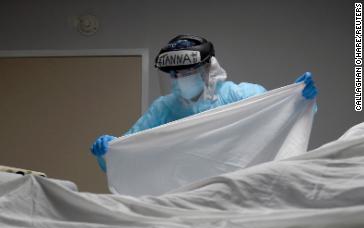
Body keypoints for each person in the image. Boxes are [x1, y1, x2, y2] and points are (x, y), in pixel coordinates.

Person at [91, 35, 318, 172]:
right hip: (183, 192)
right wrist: (109, 151)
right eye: (173, 74)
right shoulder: (164, 108)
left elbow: (280, 120)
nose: (180, 79)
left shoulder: (241, 95)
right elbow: (131, 148)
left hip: (237, 184)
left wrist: (298, 100)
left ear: (208, 70)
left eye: (188, 71)